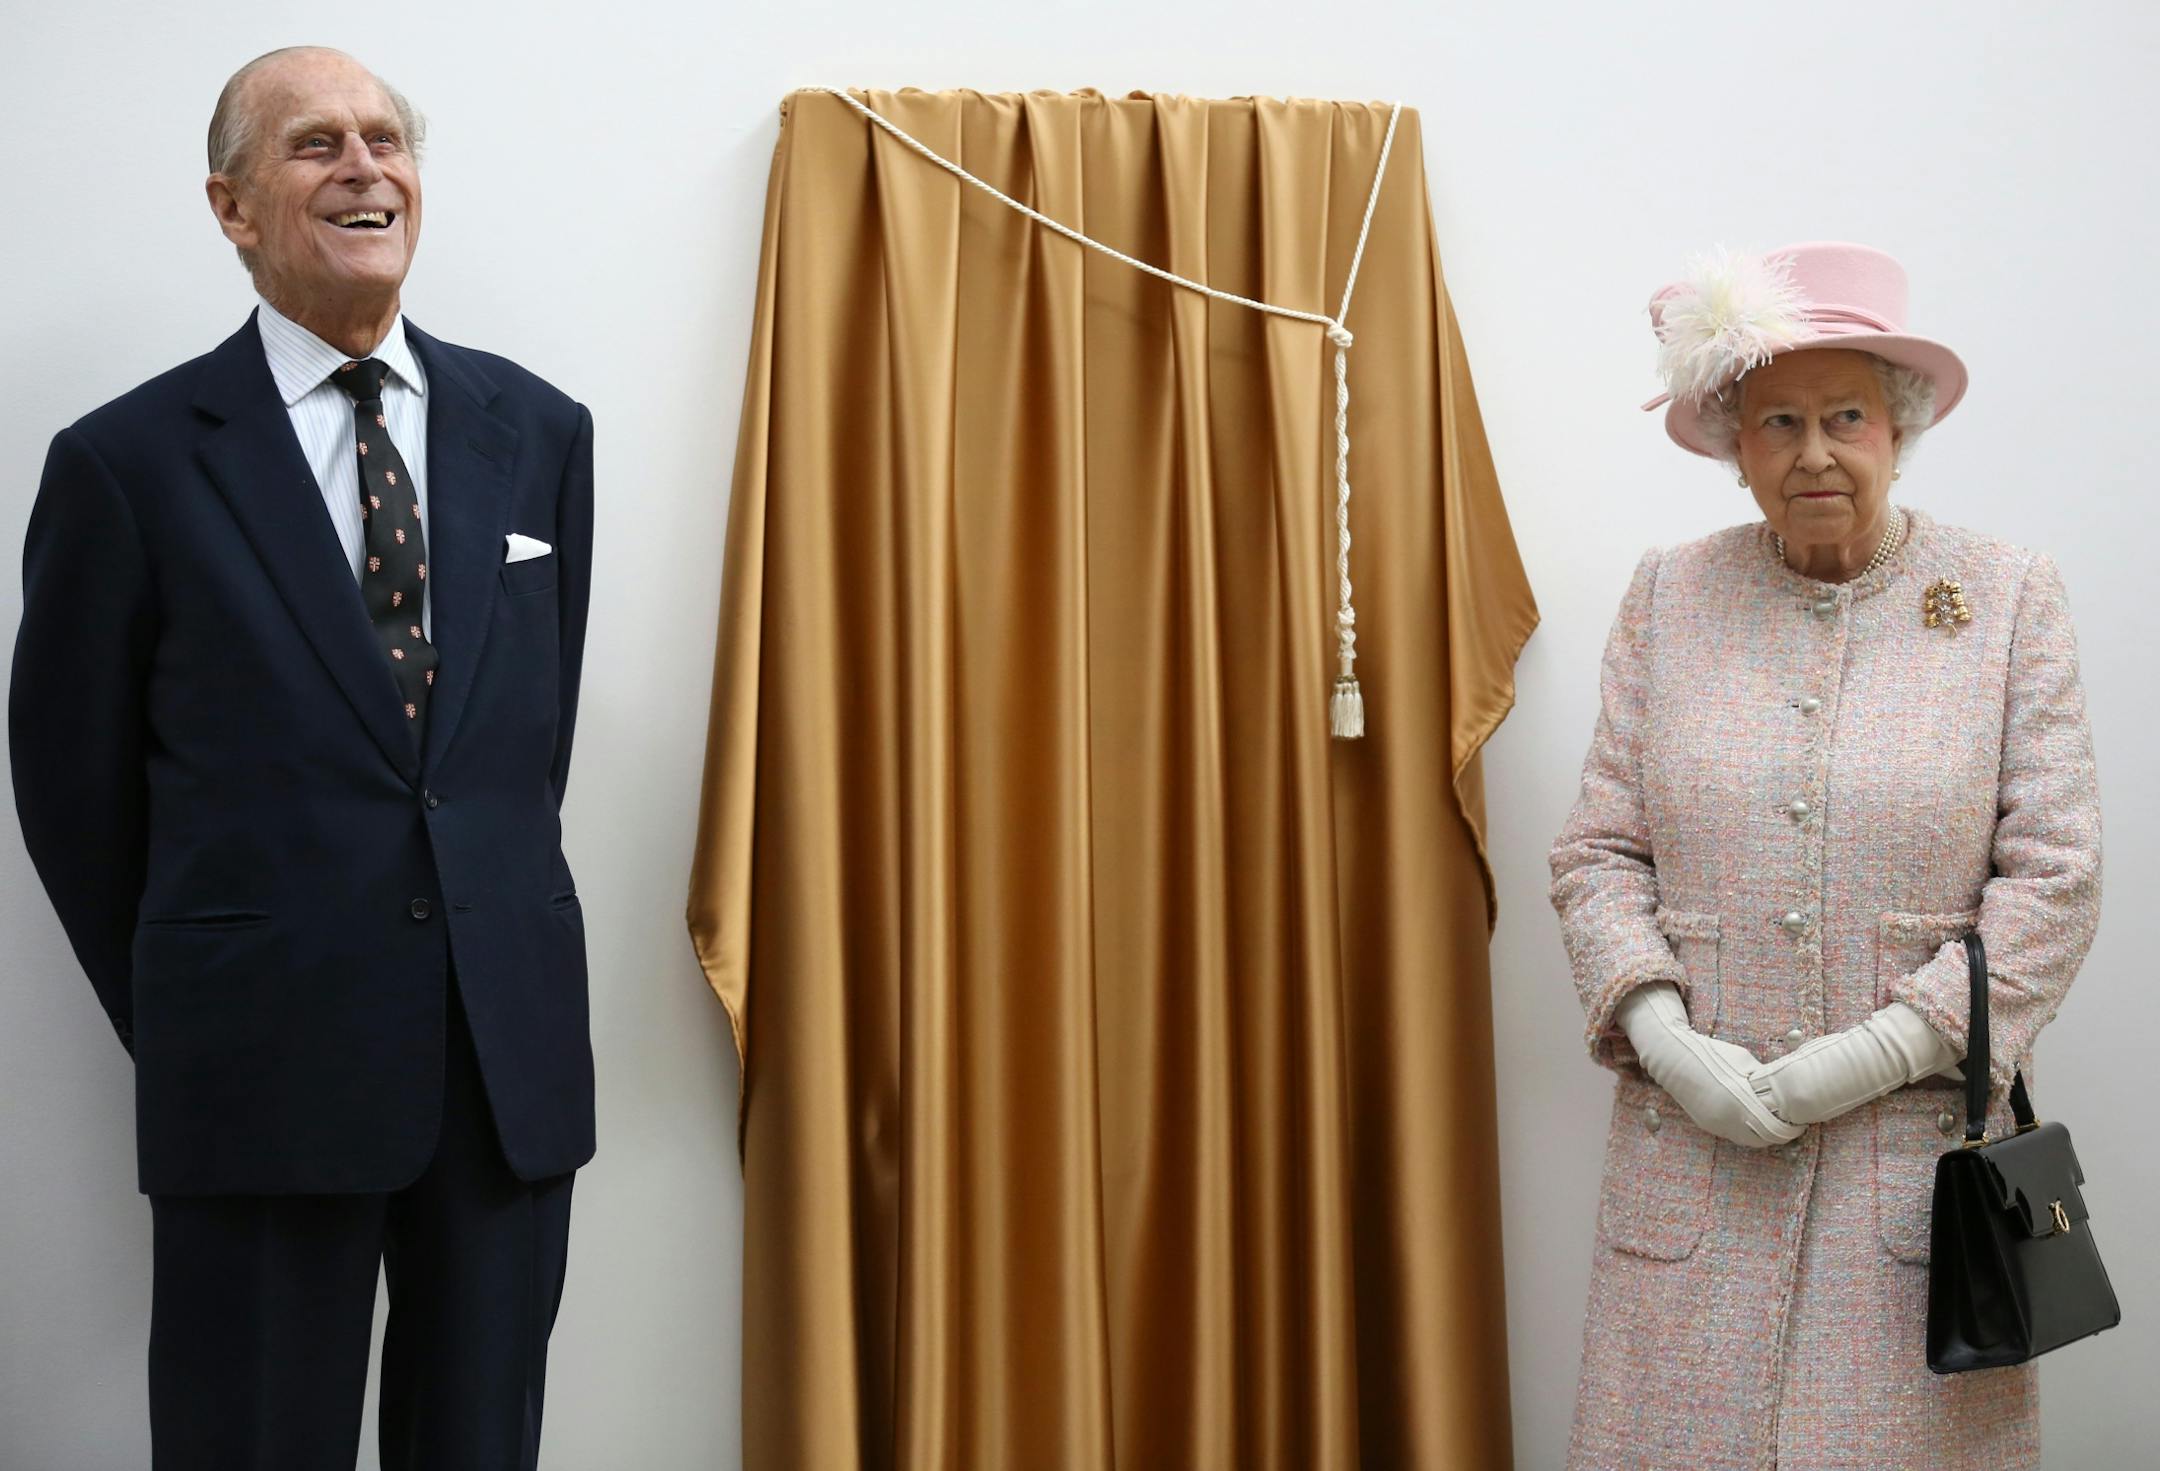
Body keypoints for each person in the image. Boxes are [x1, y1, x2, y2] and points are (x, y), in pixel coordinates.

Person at [8, 46, 595, 1470]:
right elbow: (73, 793)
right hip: (260, 1068)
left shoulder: (542, 433)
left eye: (385, 141)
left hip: (499, 1068)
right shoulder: (127, 463)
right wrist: (213, 993)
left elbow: (520, 746)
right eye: (315, 143)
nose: (364, 167)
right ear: (233, 204)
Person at [1548, 242, 2100, 1469]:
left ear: (1897, 430)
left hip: (1912, 1192)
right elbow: (1597, 851)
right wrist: (1665, 1042)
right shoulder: (1667, 596)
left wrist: (1877, 1051)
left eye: (1844, 416)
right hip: (1691, 1169)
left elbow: (2054, 878)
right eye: (1777, 421)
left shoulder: (2006, 597)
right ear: (1735, 447)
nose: (1812, 453)